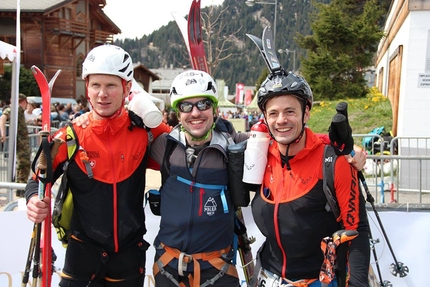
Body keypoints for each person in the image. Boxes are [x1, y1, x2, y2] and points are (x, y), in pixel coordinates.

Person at [24, 44, 170, 287]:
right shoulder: (69, 136)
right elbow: (36, 181)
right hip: (83, 254)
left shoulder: (145, 132)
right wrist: (32, 201)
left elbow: (178, 156)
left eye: (111, 85)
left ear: (126, 88)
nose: (103, 94)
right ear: (87, 89)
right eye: (96, 85)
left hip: (128, 255)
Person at [251, 70, 370, 286]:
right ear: (265, 118)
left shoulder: (335, 161)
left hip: (318, 280)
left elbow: (357, 231)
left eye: (290, 111)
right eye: (273, 113)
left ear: (306, 113)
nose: (281, 120)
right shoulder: (259, 154)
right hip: (267, 277)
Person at [148, 70, 249, 286]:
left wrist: (333, 145)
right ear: (178, 112)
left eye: (203, 104)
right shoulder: (164, 145)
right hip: (168, 268)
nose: (195, 113)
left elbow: (278, 140)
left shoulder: (234, 145)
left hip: (217, 270)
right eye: (186, 106)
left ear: (215, 109)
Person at [0, 93, 31, 197]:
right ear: (24, 102)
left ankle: (20, 189)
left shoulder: (19, 111)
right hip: (20, 143)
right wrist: (3, 133)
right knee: (24, 164)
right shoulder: (16, 109)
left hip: (22, 142)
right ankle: (21, 189)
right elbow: (3, 117)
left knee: (23, 165)